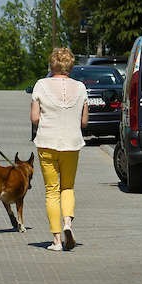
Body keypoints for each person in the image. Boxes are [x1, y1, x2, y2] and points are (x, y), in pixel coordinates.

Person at [30, 48, 88, 251]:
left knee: (51, 191)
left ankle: (56, 240)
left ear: (52, 65)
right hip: (72, 143)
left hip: (47, 143)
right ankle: (68, 224)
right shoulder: (80, 88)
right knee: (68, 187)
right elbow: (84, 121)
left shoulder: (41, 85)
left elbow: (35, 118)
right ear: (70, 65)